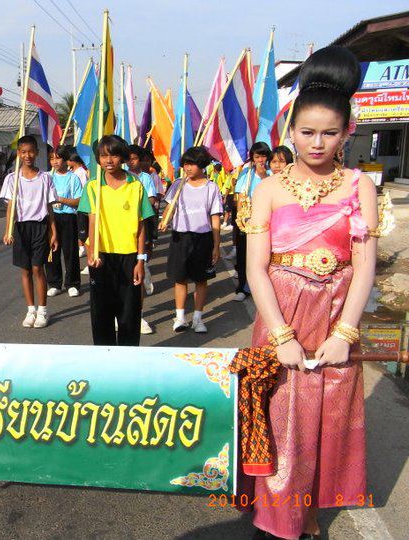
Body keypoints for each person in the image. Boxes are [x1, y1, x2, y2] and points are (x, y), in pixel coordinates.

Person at [240, 45, 377, 540]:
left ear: (347, 132)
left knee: (329, 422)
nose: (317, 143)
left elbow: (365, 268)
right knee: (279, 420)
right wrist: (280, 336)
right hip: (282, 314)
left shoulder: (360, 185)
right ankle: (276, 518)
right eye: (306, 132)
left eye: (329, 132)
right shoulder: (269, 188)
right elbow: (256, 269)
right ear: (288, 132)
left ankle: (312, 511)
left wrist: (346, 332)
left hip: (337, 315)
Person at [79, 135, 155, 346]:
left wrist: (140, 260)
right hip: (101, 257)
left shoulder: (135, 185)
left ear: (122, 157)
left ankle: (128, 358)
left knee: (129, 312)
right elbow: (92, 222)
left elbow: (141, 225)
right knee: (101, 312)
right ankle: (105, 359)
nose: (109, 160)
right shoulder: (93, 187)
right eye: (103, 156)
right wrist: (92, 252)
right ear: (98, 159)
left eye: (113, 155)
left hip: (129, 257)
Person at [160, 146, 223, 333]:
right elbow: (169, 208)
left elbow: (215, 218)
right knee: (180, 279)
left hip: (203, 238)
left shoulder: (211, 188)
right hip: (180, 237)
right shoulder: (178, 184)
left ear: (202, 165)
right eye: (186, 163)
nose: (188, 168)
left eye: (192, 164)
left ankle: (198, 318)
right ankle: (180, 317)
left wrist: (216, 245)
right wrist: (164, 221)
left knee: (201, 279)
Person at [0, 135, 59, 328]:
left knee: (37, 268)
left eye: (31, 151)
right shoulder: (12, 179)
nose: (27, 155)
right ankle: (30, 310)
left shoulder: (45, 178)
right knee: (25, 270)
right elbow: (10, 207)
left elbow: (49, 208)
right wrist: (8, 230)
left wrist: (53, 232)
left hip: (40, 227)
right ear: (18, 154)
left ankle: (43, 310)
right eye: (23, 152)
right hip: (21, 228)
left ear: (37, 153)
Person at [232, 141, 271, 301]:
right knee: (244, 256)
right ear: (252, 158)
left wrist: (263, 176)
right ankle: (243, 287)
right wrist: (241, 219)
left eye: (263, 156)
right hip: (248, 224)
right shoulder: (246, 174)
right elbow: (240, 198)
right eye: (257, 156)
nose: (261, 159)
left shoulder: (272, 174)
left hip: (267, 224)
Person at [128, 144, 158, 334]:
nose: (131, 162)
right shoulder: (118, 177)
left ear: (141, 160)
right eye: (128, 158)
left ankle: (137, 316)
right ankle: (119, 315)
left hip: (140, 228)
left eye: (135, 158)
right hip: (119, 233)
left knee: (138, 275)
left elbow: (152, 201)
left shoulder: (145, 178)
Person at [46, 145, 83, 298]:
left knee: (70, 251)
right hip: (51, 217)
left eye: (58, 158)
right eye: (52, 159)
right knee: (52, 251)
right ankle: (54, 283)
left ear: (65, 160)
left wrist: (61, 200)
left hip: (68, 217)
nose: (55, 162)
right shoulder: (47, 177)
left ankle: (72, 283)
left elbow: (78, 201)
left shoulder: (73, 177)